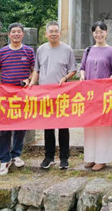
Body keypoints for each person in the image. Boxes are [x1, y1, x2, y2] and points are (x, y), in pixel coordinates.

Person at [30, 21, 77, 170]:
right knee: (48, 126)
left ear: (60, 33)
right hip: (45, 93)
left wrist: (65, 78)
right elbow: (37, 70)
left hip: (62, 93)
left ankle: (64, 158)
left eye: (56, 31)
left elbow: (73, 70)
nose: (54, 34)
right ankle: (49, 157)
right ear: (46, 34)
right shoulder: (41, 49)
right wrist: (32, 83)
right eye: (51, 31)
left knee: (63, 126)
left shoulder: (67, 49)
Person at [0, 22, 36, 175]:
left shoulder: (29, 51)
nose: (16, 34)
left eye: (19, 32)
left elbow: (34, 70)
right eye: (13, 32)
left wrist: (29, 80)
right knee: (5, 128)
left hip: (22, 94)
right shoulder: (2, 52)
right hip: (5, 95)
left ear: (23, 34)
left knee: (21, 126)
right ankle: (4, 159)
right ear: (9, 35)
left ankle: (16, 154)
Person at [78, 21, 112, 171]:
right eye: (96, 32)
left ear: (106, 33)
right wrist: (82, 75)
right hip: (89, 95)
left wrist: (108, 82)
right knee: (90, 126)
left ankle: (102, 159)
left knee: (103, 126)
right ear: (93, 34)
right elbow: (82, 67)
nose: (98, 34)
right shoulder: (88, 50)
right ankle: (90, 157)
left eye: (101, 32)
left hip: (105, 95)